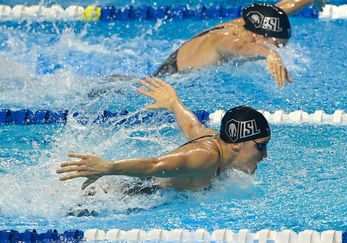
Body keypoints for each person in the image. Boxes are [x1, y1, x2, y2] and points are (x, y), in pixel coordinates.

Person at [56, 77, 271, 191]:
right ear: (236, 143)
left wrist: (174, 103)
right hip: (132, 195)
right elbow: (155, 165)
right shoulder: (206, 156)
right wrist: (110, 167)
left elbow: (193, 128)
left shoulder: (215, 140)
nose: (265, 155)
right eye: (260, 146)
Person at [153, 0, 326, 86]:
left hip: (179, 58)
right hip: (174, 78)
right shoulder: (226, 41)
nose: (279, 48)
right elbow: (241, 47)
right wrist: (269, 53)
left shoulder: (247, 24)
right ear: (258, 37)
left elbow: (279, 9)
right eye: (276, 44)